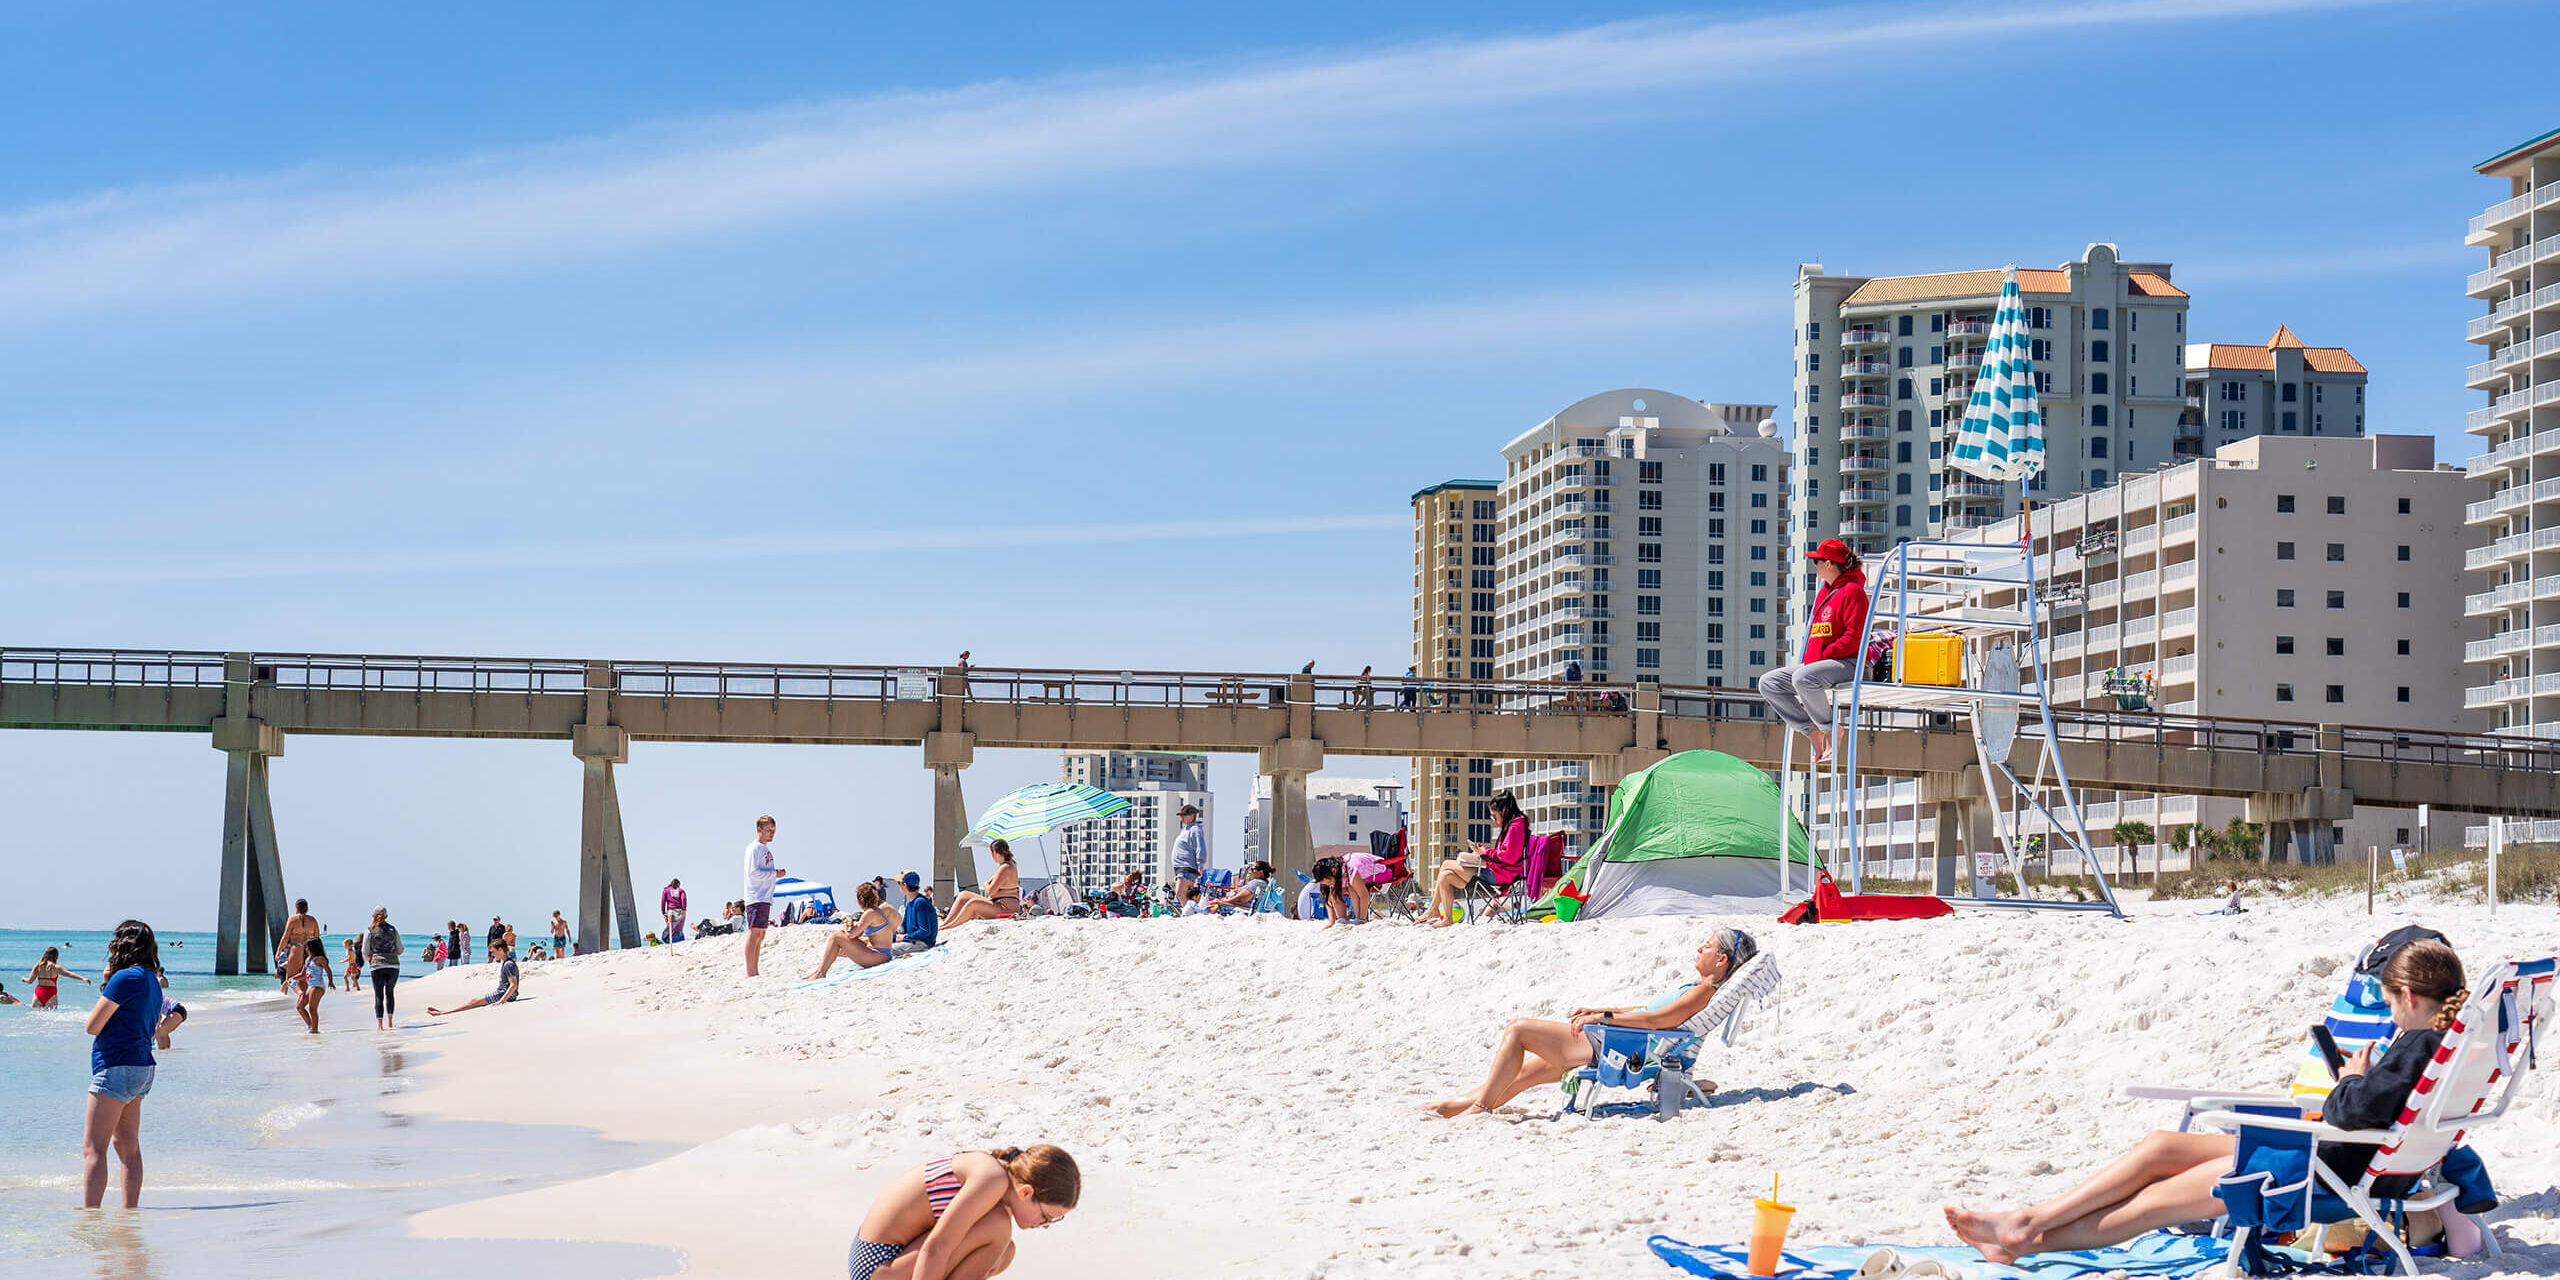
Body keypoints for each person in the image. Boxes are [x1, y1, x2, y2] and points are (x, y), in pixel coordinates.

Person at [1943, 939, 2469, 1263]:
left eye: (2386, 994)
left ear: (2412, 997)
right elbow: (2375, 1111)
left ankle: (2023, 1238)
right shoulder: (2443, 1046)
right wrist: (2363, 1082)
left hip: (2313, 1170)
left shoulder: (2419, 1045)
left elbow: (2349, 1111)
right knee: (2159, 1148)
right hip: (2325, 1153)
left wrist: (2353, 1078)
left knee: (2152, 1203)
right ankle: (2030, 1218)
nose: (2382, 1002)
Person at [1429, 927, 1760, 1118]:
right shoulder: (1696, 990)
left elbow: (1656, 1020)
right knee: (1521, 1076)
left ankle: (1481, 1109)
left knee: (1518, 1030)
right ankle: (1448, 1109)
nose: (1699, 947)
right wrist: (1602, 1008)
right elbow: (1645, 1009)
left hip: (1612, 1047)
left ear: (1721, 960)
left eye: (1708, 945)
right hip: (1616, 1040)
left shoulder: (1702, 993)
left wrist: (1602, 1018)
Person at [846, 1144, 1078, 1280]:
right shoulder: (991, 1180)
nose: (1045, 1224)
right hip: (875, 1267)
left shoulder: (996, 1177)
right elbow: (936, 1248)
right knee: (998, 1228)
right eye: (1046, 1216)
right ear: (1026, 1192)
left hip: (888, 1261)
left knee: (1005, 1250)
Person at [1759, 538, 1869, 764]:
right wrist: (1816, 660)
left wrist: (1823, 656)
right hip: (1820, 664)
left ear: (1829, 564)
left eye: (1816, 562)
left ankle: (1831, 729)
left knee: (1803, 678)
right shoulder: (1825, 593)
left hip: (1850, 664)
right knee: (1769, 683)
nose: (1815, 566)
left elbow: (1854, 638)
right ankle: (1812, 731)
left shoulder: (1853, 592)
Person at [83, 919, 167, 1208]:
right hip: (142, 1066)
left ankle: (90, 1215)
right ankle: (130, 1212)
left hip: (117, 1065)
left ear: (123, 946)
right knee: (127, 1146)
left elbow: (93, 1025)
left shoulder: (125, 978)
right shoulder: (152, 980)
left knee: (94, 1148)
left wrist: (109, 982)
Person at [1429, 792, 1526, 928]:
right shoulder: (1515, 826)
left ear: (1503, 811)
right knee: (1445, 876)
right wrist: (1483, 851)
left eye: (1494, 816)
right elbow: (1504, 854)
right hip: (1498, 871)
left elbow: (1508, 857)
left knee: (1446, 864)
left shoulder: (1515, 828)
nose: (1493, 820)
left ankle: (1434, 910)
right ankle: (1447, 918)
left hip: (1500, 876)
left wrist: (1484, 852)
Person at [805, 883, 900, 980]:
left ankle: (820, 972)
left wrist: (847, 925)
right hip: (882, 955)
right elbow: (857, 935)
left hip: (879, 957)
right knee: (840, 936)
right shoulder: (875, 911)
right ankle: (819, 971)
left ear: (859, 901)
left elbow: (851, 935)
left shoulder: (870, 913)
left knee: (836, 937)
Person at [743, 814, 785, 977]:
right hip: (756, 896)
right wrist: (775, 874)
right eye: (769, 830)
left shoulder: (764, 849)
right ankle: (750, 972)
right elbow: (752, 873)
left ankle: (755, 970)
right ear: (759, 829)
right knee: (754, 934)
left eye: (773, 830)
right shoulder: (754, 848)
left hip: (764, 897)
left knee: (760, 934)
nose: (771, 833)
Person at [429, 944, 521, 1017]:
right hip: (503, 993)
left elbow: (513, 985)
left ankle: (444, 1013)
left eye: (493, 952)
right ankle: (444, 1011)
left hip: (504, 994)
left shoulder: (508, 964)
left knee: (473, 1002)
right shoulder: (507, 962)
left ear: (500, 950)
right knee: (474, 1001)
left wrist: (502, 1000)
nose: (492, 955)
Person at [945, 841, 1022, 927]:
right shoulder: (1010, 864)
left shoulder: (1005, 868)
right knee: (964, 895)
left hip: (1005, 909)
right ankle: (946, 923)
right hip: (1003, 905)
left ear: (994, 853)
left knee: (973, 903)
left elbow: (991, 892)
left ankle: (950, 926)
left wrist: (986, 884)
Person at [364, 908, 403, 1031]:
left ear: (373, 915)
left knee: (378, 995)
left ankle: (380, 1026)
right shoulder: (393, 929)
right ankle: (390, 1022)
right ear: (386, 916)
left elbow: (365, 951)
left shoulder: (369, 930)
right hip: (393, 965)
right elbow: (400, 949)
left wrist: (368, 958)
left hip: (377, 965)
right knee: (390, 993)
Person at [275, 898, 321, 990]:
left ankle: (286, 996)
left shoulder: (292, 919)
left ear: (296, 908)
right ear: (307, 908)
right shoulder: (313, 920)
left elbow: (285, 937)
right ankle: (302, 997)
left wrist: (279, 951)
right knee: (303, 979)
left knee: (290, 979)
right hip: (309, 951)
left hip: (297, 949)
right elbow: (317, 939)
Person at [1169, 803, 1208, 910]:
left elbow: (1200, 847)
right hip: (1181, 866)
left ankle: (1190, 913)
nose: (1181, 817)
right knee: (1186, 894)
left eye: (1184, 815)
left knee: (1180, 892)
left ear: (1192, 816)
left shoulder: (1195, 829)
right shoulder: (1187, 829)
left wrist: (1200, 865)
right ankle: (1190, 912)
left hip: (1187, 866)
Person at [291, 937, 333, 1034]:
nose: (306, 949)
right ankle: (311, 1026)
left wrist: (331, 981)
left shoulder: (320, 959)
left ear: (312, 948)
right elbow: (302, 974)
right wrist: (291, 978)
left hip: (318, 986)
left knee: (312, 1009)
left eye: (307, 947)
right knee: (300, 1007)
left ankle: (315, 1030)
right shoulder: (308, 959)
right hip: (310, 986)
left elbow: (328, 970)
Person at [894, 872, 941, 955]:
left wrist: (904, 937)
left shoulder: (920, 903)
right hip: (913, 941)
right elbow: (903, 928)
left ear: (904, 885)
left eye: (899, 883)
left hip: (923, 943)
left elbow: (925, 931)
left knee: (889, 951)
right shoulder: (910, 904)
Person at [1307, 855, 1358, 927]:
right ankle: (1342, 919)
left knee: (1346, 889)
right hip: (1345, 887)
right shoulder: (1327, 883)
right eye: (1325, 884)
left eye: (1329, 882)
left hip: (1356, 885)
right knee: (1333, 895)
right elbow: (1329, 902)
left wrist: (1361, 918)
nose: (1328, 884)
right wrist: (1331, 922)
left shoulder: (1344, 872)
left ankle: (1358, 917)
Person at [1216, 861, 1281, 912]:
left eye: (1252, 870)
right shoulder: (1264, 884)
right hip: (1244, 909)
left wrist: (1221, 902)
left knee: (1210, 906)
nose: (1250, 872)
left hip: (1241, 910)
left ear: (1261, 872)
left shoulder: (1256, 883)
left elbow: (1239, 900)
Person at [661, 878, 688, 943]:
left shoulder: (666, 890)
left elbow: (663, 902)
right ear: (678, 884)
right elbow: (683, 900)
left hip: (670, 912)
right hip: (679, 911)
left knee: (670, 927)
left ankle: (667, 940)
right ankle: (678, 940)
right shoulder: (681, 891)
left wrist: (664, 913)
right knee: (678, 928)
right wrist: (684, 910)